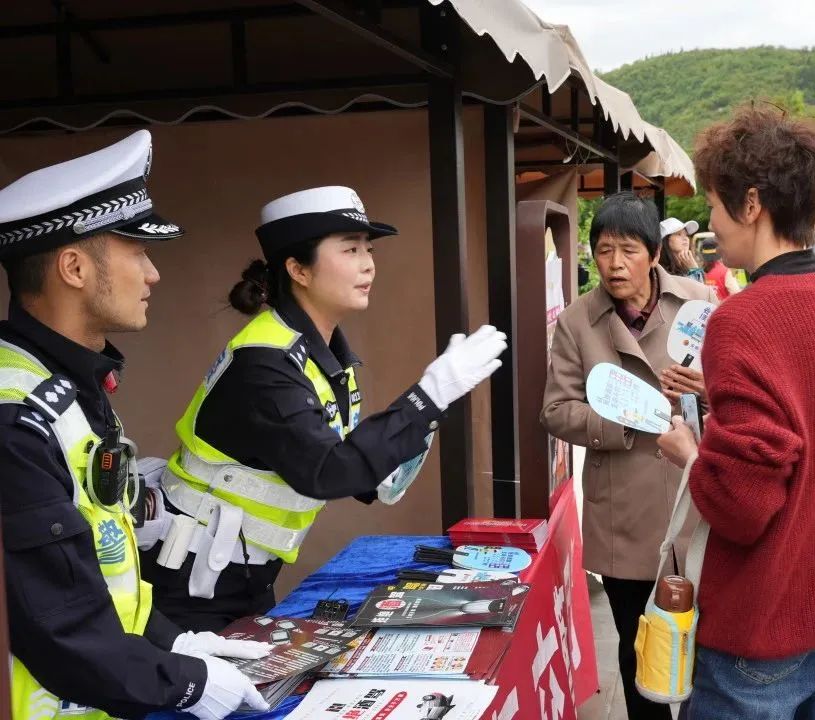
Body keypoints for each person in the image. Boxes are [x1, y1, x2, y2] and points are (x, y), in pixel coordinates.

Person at [137, 185, 507, 632]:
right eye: (350, 249)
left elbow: (364, 478)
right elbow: (330, 471)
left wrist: (427, 409)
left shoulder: (322, 356)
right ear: (298, 269)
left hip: (238, 573)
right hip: (189, 584)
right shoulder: (266, 362)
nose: (368, 262)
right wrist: (429, 395)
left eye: (368, 249)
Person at [0, 131, 270, 720]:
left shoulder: (73, 389)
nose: (153, 275)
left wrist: (172, 640)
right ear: (73, 266)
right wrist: (185, 681)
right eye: (137, 253)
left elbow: (102, 567)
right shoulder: (14, 418)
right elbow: (56, 624)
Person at [656, 105, 815, 719]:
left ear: (752, 203)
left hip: (758, 635)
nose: (710, 223)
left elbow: (742, 508)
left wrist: (691, 453)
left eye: (714, 203)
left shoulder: (743, 320)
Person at [541, 192, 714, 720]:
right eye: (603, 250)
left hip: (697, 495)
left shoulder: (699, 305)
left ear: (656, 254)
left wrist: (707, 390)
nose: (614, 264)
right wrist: (626, 417)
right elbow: (555, 410)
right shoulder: (578, 322)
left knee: (709, 648)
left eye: (628, 250)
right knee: (640, 644)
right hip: (624, 511)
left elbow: (741, 388)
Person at [659, 216, 705, 282]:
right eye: (678, 234)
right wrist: (694, 270)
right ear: (666, 240)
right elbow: (693, 291)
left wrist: (694, 269)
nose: (685, 238)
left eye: (686, 235)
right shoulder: (662, 271)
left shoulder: (689, 265)